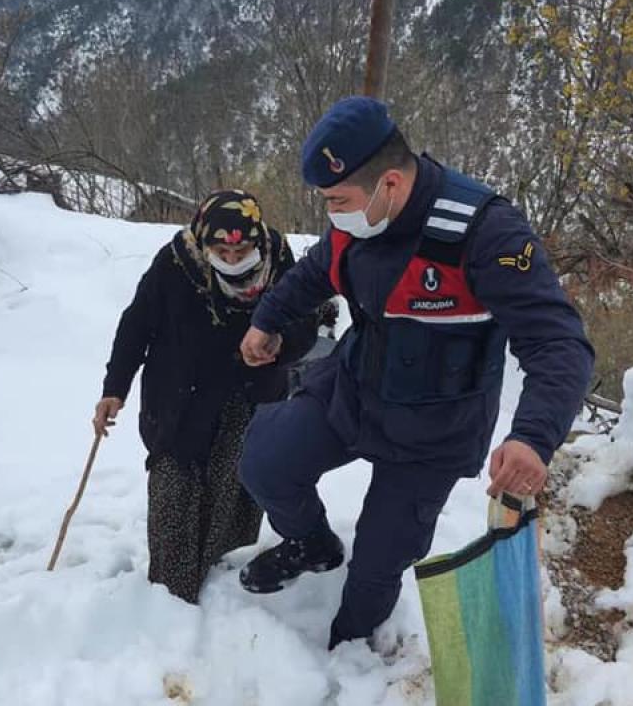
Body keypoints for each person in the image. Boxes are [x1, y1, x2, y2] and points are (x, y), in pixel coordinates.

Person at [235, 97, 595, 649]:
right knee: (266, 460)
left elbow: (559, 342)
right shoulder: (359, 220)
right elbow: (315, 271)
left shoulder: (485, 233)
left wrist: (533, 437)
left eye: (338, 201)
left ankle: (350, 650)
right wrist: (267, 319)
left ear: (391, 184)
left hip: (436, 429)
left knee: (380, 560)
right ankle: (313, 543)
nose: (332, 214)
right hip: (355, 389)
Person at [95, 189, 316, 604]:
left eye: (242, 252)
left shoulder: (279, 260)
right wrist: (114, 388)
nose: (232, 260)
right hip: (181, 398)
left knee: (232, 487)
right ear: (203, 242)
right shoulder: (177, 262)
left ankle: (217, 582)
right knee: (174, 491)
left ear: (257, 241)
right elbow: (136, 325)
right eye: (221, 252)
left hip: (248, 396)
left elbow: (306, 321)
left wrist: (280, 342)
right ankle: (169, 600)